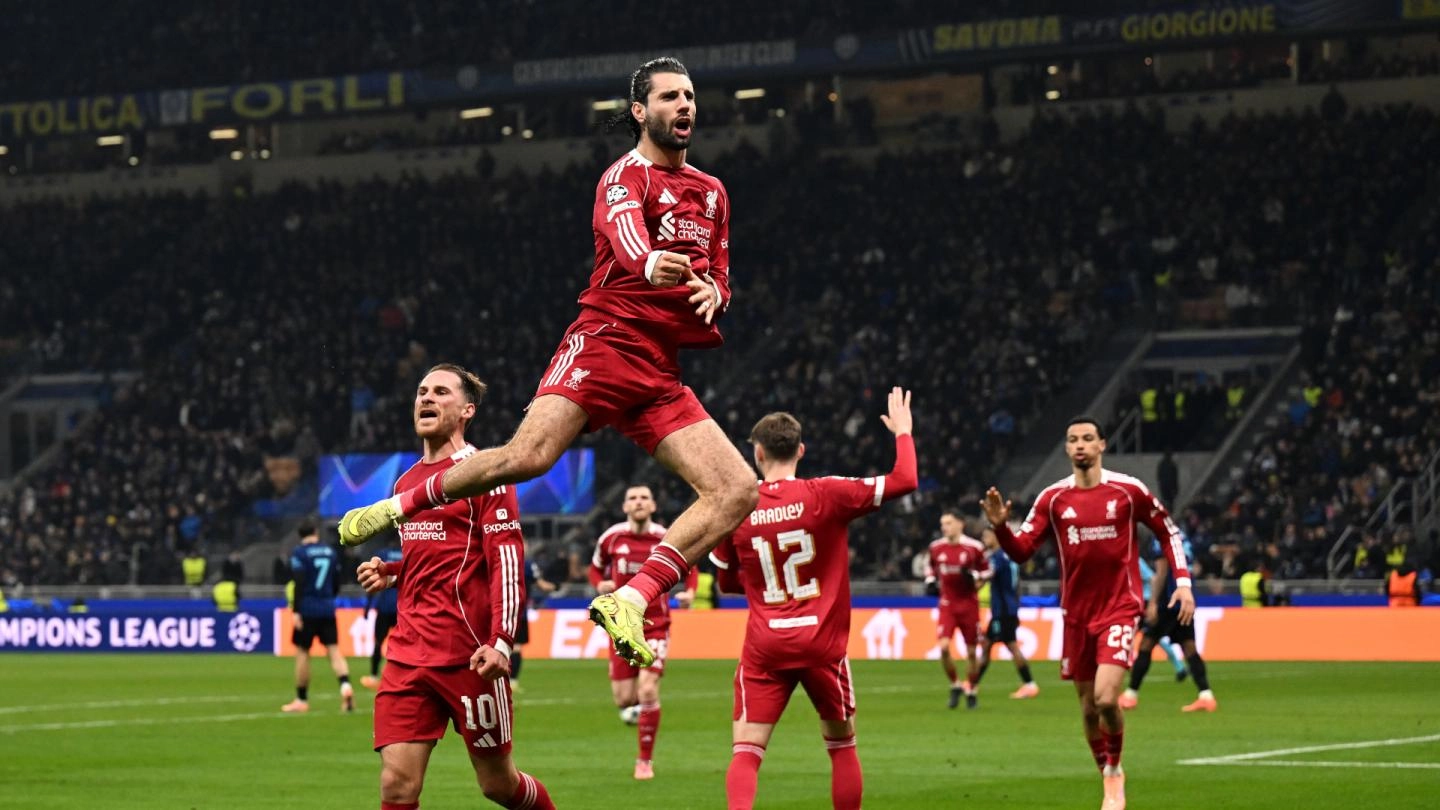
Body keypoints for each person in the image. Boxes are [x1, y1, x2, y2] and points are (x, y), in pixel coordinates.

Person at [337, 56, 754, 670]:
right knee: (527, 458)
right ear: (640, 112)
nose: (685, 104)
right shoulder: (624, 176)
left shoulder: (713, 192)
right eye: (670, 97)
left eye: (689, 95)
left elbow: (720, 272)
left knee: (737, 489)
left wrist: (715, 293)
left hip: (658, 369)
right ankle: (396, 506)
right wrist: (650, 263)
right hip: (606, 343)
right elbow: (626, 238)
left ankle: (630, 599)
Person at [354, 363, 555, 810]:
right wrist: (393, 571)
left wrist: (502, 640)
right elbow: (437, 553)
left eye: (441, 392)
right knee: (396, 786)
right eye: (422, 391)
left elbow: (505, 559)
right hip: (408, 655)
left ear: (467, 410)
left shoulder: (485, 473)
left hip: (469, 657)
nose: (426, 398)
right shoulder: (405, 483)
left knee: (498, 785)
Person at [710, 387, 917, 810]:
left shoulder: (737, 507)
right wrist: (903, 432)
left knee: (746, 752)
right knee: (842, 746)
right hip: (822, 643)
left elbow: (726, 583)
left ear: (758, 454)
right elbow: (905, 480)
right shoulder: (828, 493)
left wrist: (761, 583)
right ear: (800, 450)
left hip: (766, 645)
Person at [981, 416, 1194, 810]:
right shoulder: (1052, 499)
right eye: (1073, 439)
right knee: (1087, 708)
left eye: (1087, 438)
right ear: (1067, 448)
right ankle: (1106, 777)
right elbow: (1022, 551)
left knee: (1106, 699)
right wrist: (1001, 529)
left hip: (1119, 608)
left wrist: (1183, 582)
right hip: (1076, 615)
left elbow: (1168, 530)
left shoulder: (1128, 491)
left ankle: (1114, 770)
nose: (1080, 445)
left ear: (1101, 445)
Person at [589, 485, 696, 779]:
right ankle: (644, 710)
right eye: (633, 498)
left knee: (647, 689)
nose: (638, 502)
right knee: (624, 699)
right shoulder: (611, 538)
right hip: (621, 626)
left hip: (656, 625)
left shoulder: (666, 538)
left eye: (644, 498)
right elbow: (595, 569)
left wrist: (690, 592)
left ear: (653, 506)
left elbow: (691, 566)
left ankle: (644, 761)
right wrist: (600, 584)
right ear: (624, 506)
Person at [1119, 535, 1215, 713]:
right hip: (1185, 600)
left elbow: (1161, 573)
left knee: (1146, 644)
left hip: (1168, 602)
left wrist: (1153, 603)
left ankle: (1130, 695)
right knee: (1189, 647)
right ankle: (1206, 696)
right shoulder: (1184, 538)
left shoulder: (1161, 539)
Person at [282, 522, 355, 714]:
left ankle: (301, 699)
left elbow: (298, 581)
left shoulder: (300, 553)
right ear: (316, 532)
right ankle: (345, 686)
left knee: (303, 652)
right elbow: (337, 581)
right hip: (327, 607)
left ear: (300, 535)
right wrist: (329, 598)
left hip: (307, 608)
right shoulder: (330, 552)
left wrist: (296, 610)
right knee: (334, 650)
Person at [923, 511, 991, 709]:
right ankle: (955, 684)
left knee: (971, 652)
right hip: (948, 604)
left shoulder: (974, 547)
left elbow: (987, 571)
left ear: (960, 524)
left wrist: (975, 577)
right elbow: (930, 568)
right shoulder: (936, 548)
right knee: (944, 647)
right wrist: (930, 581)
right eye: (943, 523)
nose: (945, 527)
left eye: (949, 523)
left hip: (969, 604)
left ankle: (972, 689)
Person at [970, 528, 1040, 701]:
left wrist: (969, 582)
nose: (984, 539)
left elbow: (986, 577)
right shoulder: (1009, 556)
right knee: (988, 644)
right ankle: (973, 684)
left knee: (1010, 645)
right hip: (1007, 608)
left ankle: (1030, 684)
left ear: (996, 536)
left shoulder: (998, 557)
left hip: (1002, 611)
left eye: (987, 535)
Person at [510, 542, 558, 694]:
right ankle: (512, 682)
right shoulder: (527, 564)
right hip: (519, 613)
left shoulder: (499, 561)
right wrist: (556, 586)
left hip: (498, 611)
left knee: (499, 647)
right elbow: (542, 585)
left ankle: (497, 682)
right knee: (516, 648)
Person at [361, 543, 404, 690]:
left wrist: (367, 607)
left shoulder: (382, 554)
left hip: (384, 607)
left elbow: (373, 580)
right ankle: (402, 677)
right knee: (404, 645)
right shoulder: (406, 553)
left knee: (378, 643)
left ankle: (373, 676)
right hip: (401, 608)